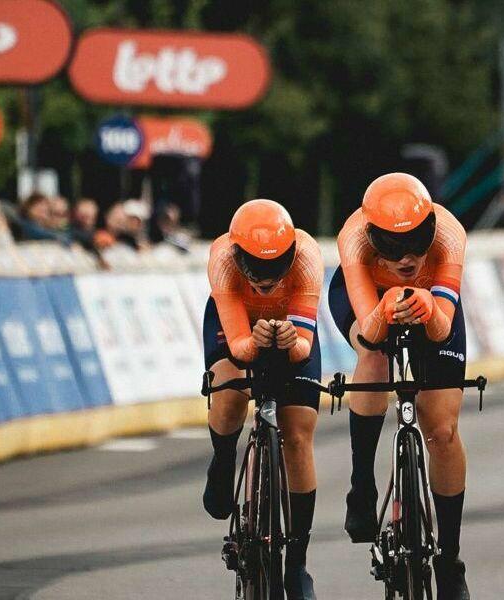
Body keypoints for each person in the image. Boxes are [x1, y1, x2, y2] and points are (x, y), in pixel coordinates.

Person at [330, 173, 472, 599]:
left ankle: (449, 558)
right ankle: (362, 484)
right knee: (372, 355)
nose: (408, 258)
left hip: (431, 304)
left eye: (417, 243)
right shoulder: (353, 237)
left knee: (442, 430)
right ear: (373, 237)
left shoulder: (449, 234)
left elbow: (443, 330)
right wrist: (386, 308)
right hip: (370, 300)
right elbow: (371, 334)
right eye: (393, 248)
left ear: (431, 227)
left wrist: (428, 306)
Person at [200, 199, 323, 600]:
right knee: (231, 390)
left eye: (275, 267)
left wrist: (293, 341)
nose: (266, 278)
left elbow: (304, 344)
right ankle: (222, 461)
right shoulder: (221, 256)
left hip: (290, 324)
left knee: (299, 436)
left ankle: (298, 563)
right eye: (256, 267)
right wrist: (253, 343)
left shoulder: (306, 255)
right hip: (236, 320)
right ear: (238, 255)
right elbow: (238, 345)